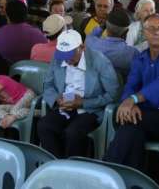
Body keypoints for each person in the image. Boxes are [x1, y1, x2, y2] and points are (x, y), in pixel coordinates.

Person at [105, 14, 159, 172]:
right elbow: (130, 84)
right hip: (142, 113)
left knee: (129, 124)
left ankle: (105, 171)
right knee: (132, 133)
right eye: (151, 29)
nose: (156, 32)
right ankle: (134, 181)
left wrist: (133, 99)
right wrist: (129, 101)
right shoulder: (140, 58)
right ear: (144, 33)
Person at [38, 30, 120, 158]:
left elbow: (113, 94)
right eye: (62, 54)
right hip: (65, 105)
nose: (66, 59)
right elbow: (47, 85)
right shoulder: (58, 58)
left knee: (73, 132)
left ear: (82, 48)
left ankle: (74, 169)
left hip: (90, 109)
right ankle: (56, 165)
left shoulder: (99, 61)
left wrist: (82, 103)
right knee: (45, 126)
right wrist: (57, 98)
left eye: (69, 54)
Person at [0, 0, 47, 65]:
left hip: (3, 72)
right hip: (30, 72)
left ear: (7, 15)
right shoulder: (37, 34)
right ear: (26, 15)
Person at [85, 8, 138, 78]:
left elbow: (91, 35)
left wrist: (102, 26)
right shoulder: (132, 53)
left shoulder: (91, 43)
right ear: (126, 32)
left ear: (106, 27)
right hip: (120, 87)